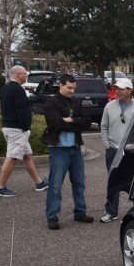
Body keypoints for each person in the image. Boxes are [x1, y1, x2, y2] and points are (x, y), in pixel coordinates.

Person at [42, 74, 93, 230]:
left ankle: (80, 212)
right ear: (61, 85)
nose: (72, 90)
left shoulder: (76, 102)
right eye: (69, 87)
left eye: (74, 88)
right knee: (55, 185)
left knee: (79, 183)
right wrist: (76, 123)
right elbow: (57, 124)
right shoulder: (51, 103)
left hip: (75, 149)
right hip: (58, 150)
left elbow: (87, 122)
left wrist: (71, 120)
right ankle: (52, 217)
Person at [0, 65, 48, 197]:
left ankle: (39, 183)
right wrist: (26, 126)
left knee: (26, 156)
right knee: (12, 157)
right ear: (19, 75)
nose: (26, 75)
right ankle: (0, 188)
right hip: (17, 129)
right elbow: (22, 110)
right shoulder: (17, 89)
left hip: (9, 126)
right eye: (25, 73)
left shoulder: (5, 88)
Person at [100, 78, 134, 223]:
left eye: (121, 89)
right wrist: (106, 145)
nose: (117, 91)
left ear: (129, 90)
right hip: (113, 150)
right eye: (116, 89)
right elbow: (104, 127)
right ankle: (111, 211)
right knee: (112, 182)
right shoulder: (109, 106)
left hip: (132, 152)